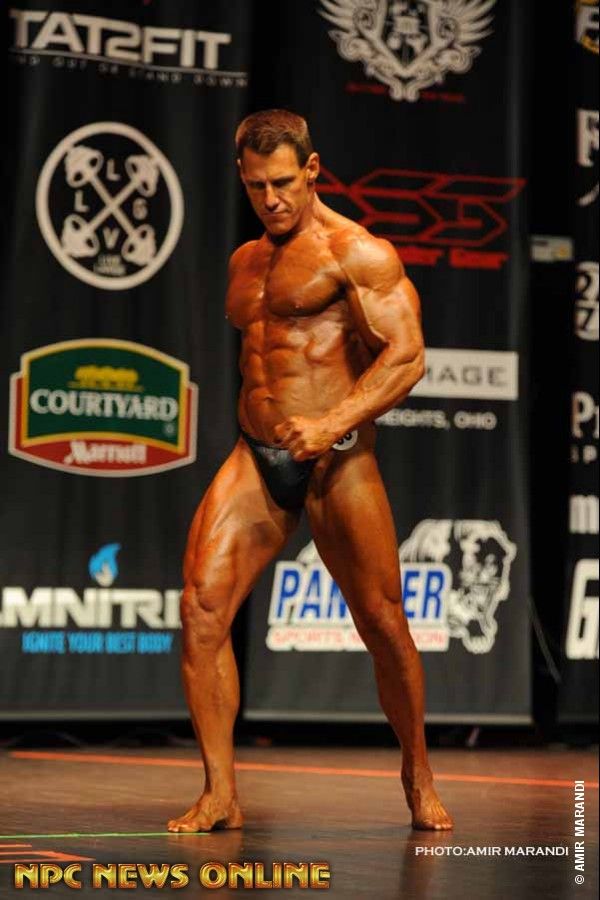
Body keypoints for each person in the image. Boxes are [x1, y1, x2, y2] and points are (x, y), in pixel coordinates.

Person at [167, 109, 453, 833]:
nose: (271, 199)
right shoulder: (245, 261)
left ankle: (418, 771)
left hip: (338, 459)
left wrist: (331, 423)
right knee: (201, 608)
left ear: (313, 169)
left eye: (284, 183)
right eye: (257, 186)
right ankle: (220, 792)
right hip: (257, 455)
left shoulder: (357, 253)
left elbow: (407, 357)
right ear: (242, 177)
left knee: (383, 623)